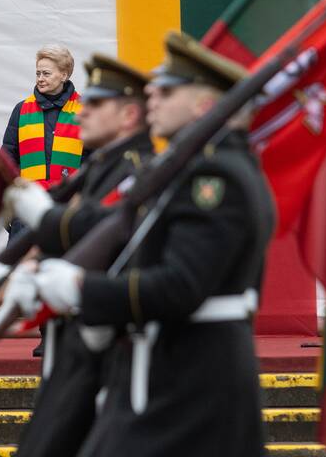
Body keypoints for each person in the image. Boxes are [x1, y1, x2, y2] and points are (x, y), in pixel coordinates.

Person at [32, 31, 276, 457]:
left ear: (203, 105)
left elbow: (181, 284)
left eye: (165, 90)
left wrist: (82, 291)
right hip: (167, 371)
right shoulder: (192, 168)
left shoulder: (216, 178)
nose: (152, 97)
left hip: (194, 376)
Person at [0, 55, 155, 456]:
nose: (84, 113)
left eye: (97, 105)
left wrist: (70, 280)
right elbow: (13, 159)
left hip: (106, 345)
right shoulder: (34, 117)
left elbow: (99, 234)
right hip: (75, 340)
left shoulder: (134, 169)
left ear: (127, 115)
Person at [1, 45, 83, 235]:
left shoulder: (84, 110)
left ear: (64, 75)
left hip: (68, 208)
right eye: (38, 73)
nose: (40, 78)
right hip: (27, 209)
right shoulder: (21, 110)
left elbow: (93, 158)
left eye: (46, 73)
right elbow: (7, 160)